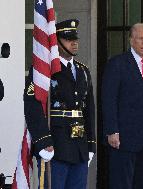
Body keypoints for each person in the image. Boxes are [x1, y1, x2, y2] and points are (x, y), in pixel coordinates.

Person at [24, 19, 96, 189]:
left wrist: (91, 144)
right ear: (56, 42)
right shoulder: (44, 69)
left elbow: (89, 110)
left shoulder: (82, 71)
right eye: (68, 39)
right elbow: (32, 105)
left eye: (75, 39)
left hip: (79, 146)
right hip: (55, 144)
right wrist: (42, 140)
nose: (74, 43)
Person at [102, 23, 143, 189]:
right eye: (140, 38)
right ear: (131, 40)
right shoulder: (117, 64)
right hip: (123, 139)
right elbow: (109, 100)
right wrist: (112, 130)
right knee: (121, 183)